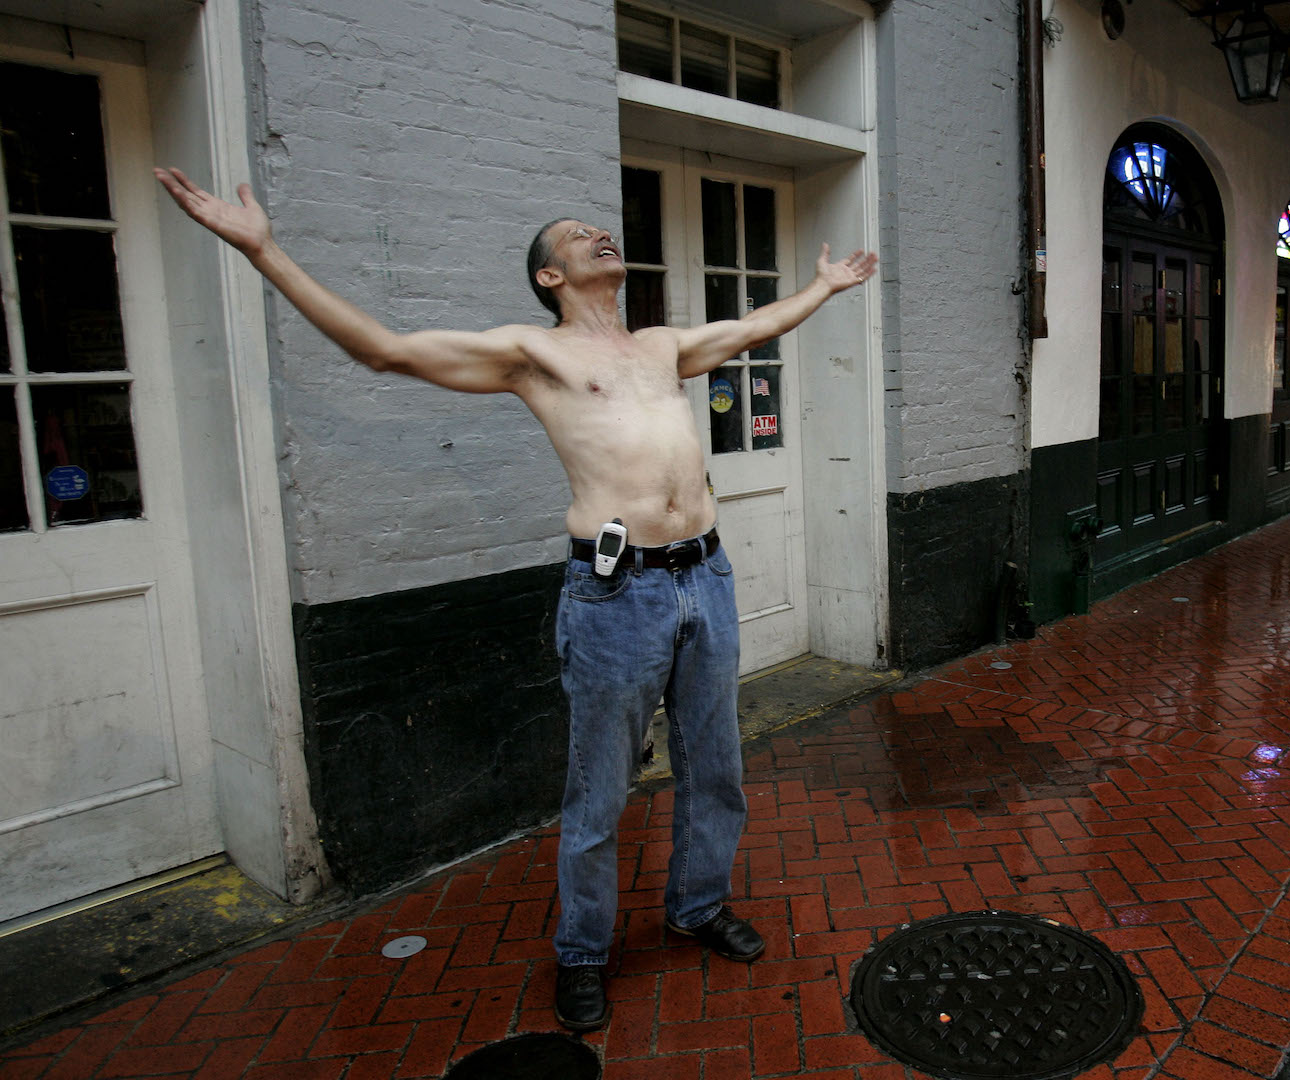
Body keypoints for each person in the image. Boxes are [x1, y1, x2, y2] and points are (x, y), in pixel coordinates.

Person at [154, 167, 878, 1031]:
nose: (599, 235)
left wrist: (823, 288)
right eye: (577, 236)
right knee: (599, 792)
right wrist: (265, 251)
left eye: (599, 229)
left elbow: (759, 323)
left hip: (706, 577)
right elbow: (382, 348)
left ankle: (695, 907)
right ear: (549, 277)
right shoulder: (533, 355)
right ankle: (581, 952)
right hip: (620, 596)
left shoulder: (661, 347)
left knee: (715, 769)